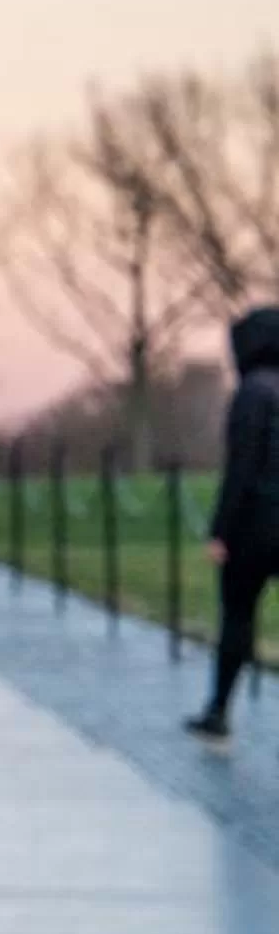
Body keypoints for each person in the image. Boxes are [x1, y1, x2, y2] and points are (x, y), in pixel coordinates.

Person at [189, 306, 279, 741]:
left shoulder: (253, 394)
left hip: (255, 528)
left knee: (239, 618)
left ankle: (219, 710)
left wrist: (221, 531)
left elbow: (241, 467)